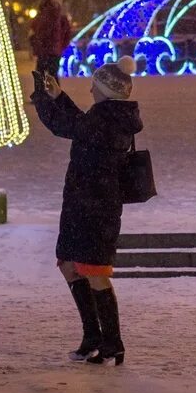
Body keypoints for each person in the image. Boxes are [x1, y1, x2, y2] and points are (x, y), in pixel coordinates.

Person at [31, 55, 142, 366]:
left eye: (95, 86)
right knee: (69, 264)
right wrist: (57, 96)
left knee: (94, 273)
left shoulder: (107, 118)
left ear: (107, 91)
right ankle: (93, 337)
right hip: (83, 204)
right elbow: (79, 124)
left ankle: (112, 342)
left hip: (96, 207)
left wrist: (42, 98)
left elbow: (64, 125)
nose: (91, 90)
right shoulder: (109, 115)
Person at [29, 0, 73, 78]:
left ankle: (45, 92)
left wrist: (36, 42)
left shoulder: (47, 13)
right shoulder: (52, 12)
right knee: (51, 79)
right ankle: (51, 92)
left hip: (47, 52)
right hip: (51, 51)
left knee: (42, 79)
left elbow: (42, 32)